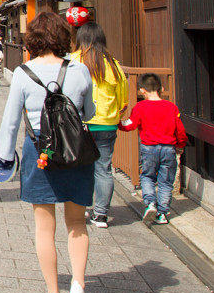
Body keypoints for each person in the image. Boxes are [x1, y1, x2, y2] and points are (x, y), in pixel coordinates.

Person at [0, 12, 95, 293]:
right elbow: (90, 113)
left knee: (44, 227)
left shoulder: (24, 73)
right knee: (76, 222)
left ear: (33, 39)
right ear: (64, 38)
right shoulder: (80, 71)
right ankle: (78, 286)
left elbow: (11, 121)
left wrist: (3, 158)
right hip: (75, 152)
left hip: (40, 153)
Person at [73, 22, 128, 228]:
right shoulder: (114, 65)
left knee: (81, 167)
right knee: (103, 169)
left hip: (81, 124)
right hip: (107, 125)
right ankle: (101, 214)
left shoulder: (74, 61)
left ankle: (81, 207)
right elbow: (123, 100)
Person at [119, 73, 187, 225]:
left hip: (149, 148)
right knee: (165, 182)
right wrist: (180, 145)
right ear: (161, 88)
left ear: (142, 90)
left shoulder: (141, 107)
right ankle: (162, 213)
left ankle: (150, 203)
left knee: (148, 176)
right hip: (168, 148)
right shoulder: (171, 107)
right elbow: (180, 130)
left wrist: (117, 121)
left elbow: (129, 124)